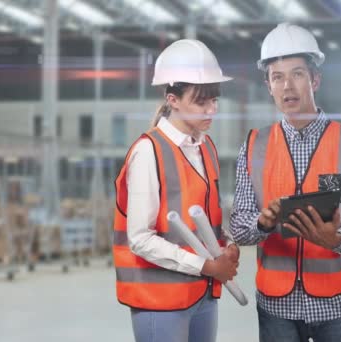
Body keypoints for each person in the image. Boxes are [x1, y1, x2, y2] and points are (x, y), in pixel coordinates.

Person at [230, 23, 341, 342]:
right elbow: (239, 225)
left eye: (297, 74)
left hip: (339, 305)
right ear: (268, 85)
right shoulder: (254, 145)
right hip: (276, 309)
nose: (288, 86)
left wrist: (336, 239)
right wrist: (262, 222)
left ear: (315, 79)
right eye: (277, 76)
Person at [112, 39, 240, 342]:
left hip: (203, 293)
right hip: (161, 301)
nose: (212, 109)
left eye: (215, 100)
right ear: (173, 99)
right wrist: (206, 265)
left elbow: (209, 213)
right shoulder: (148, 151)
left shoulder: (205, 146)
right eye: (201, 102)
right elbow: (140, 238)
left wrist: (228, 245)